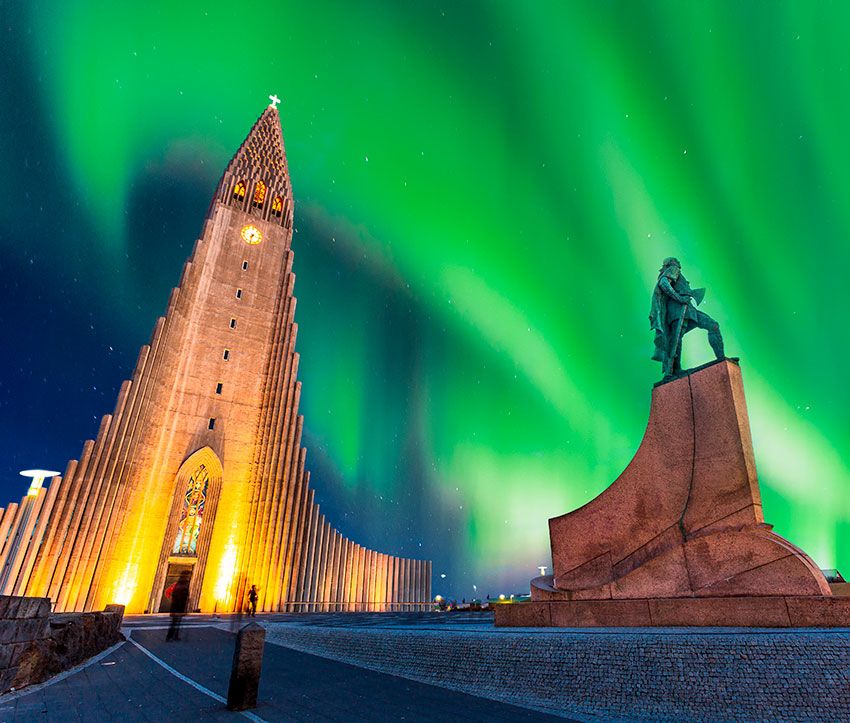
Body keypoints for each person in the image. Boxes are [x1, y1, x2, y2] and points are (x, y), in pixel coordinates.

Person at [649, 257, 724, 379]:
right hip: (678, 310)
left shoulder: (676, 272)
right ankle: (673, 371)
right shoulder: (673, 269)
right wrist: (680, 298)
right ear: (672, 263)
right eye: (676, 261)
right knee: (676, 339)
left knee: (712, 325)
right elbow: (664, 283)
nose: (678, 263)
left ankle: (721, 359)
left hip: (687, 309)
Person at [165, 571, 191, 642]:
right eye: (188, 575)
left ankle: (174, 636)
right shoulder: (183, 584)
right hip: (178, 607)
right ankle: (170, 637)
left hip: (177, 606)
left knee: (176, 622)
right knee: (175, 622)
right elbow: (182, 596)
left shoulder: (180, 584)